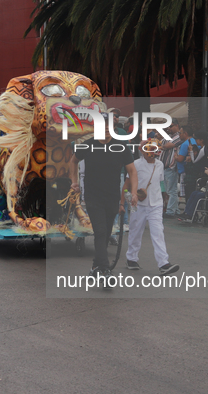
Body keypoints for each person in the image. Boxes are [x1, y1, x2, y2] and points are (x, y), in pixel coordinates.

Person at [69, 111, 138, 284]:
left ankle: (95, 267)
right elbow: (73, 161)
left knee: (106, 233)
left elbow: (132, 171)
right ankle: (105, 270)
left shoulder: (121, 147)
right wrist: (74, 182)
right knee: (100, 231)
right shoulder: (88, 145)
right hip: (93, 196)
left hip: (112, 196)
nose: (107, 130)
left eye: (110, 127)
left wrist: (134, 192)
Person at [123, 139, 179, 275]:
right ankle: (131, 258)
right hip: (138, 204)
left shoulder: (159, 165)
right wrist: (125, 201)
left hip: (156, 204)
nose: (151, 153)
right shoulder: (135, 164)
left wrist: (164, 196)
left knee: (158, 232)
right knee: (135, 232)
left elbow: (159, 183)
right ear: (142, 150)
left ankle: (163, 263)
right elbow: (127, 185)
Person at [160, 118, 184, 218]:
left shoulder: (178, 136)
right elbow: (160, 143)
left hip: (171, 167)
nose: (169, 128)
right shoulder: (169, 136)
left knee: (171, 190)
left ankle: (170, 211)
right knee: (168, 190)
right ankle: (175, 209)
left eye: (171, 126)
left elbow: (168, 145)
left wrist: (162, 145)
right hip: (164, 167)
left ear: (177, 126)